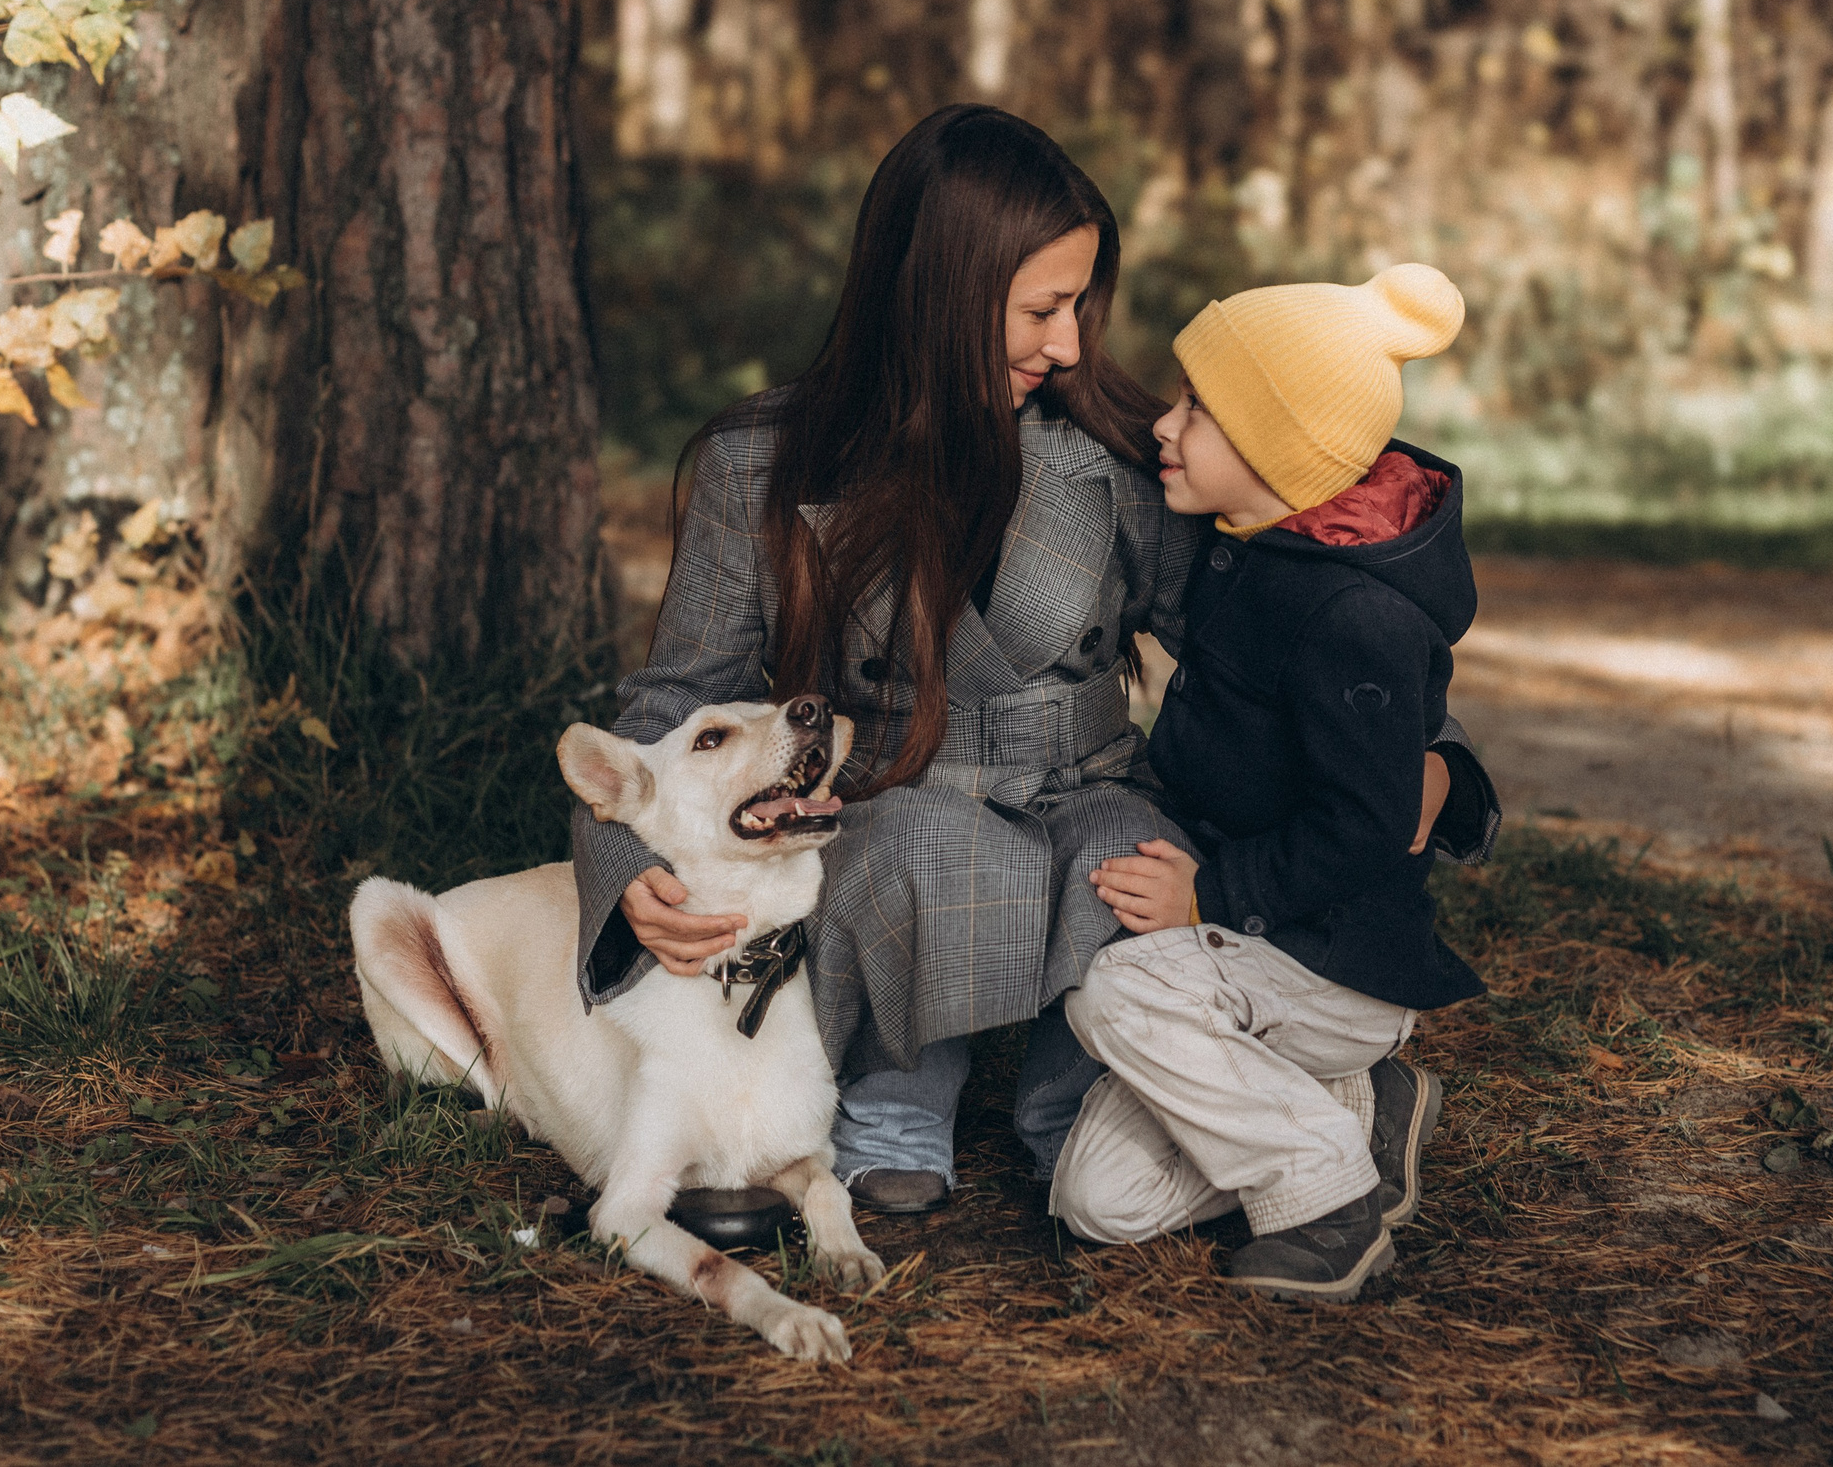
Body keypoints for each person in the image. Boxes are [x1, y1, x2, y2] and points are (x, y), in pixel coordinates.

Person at [570, 105, 1204, 1214]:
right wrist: (624, 868)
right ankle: (897, 1090)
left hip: (1084, 787)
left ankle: (1081, 1104)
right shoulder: (761, 464)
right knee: (913, 839)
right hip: (897, 801)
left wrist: (1415, 754)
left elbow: (1261, 655)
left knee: (1127, 850)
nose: (1068, 345)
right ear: (939, 296)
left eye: (1079, 307)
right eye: (1040, 311)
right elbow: (674, 701)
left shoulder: (1117, 457)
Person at [1049, 263, 1497, 1300]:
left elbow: (1372, 825)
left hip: (1330, 961)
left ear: (1280, 445)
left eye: (1198, 408)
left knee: (1118, 991)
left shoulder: (1354, 619)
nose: (1165, 424)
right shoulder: (1247, 551)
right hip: (1253, 962)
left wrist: (1211, 893)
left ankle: (1326, 1195)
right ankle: (1358, 1110)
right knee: (1099, 1202)